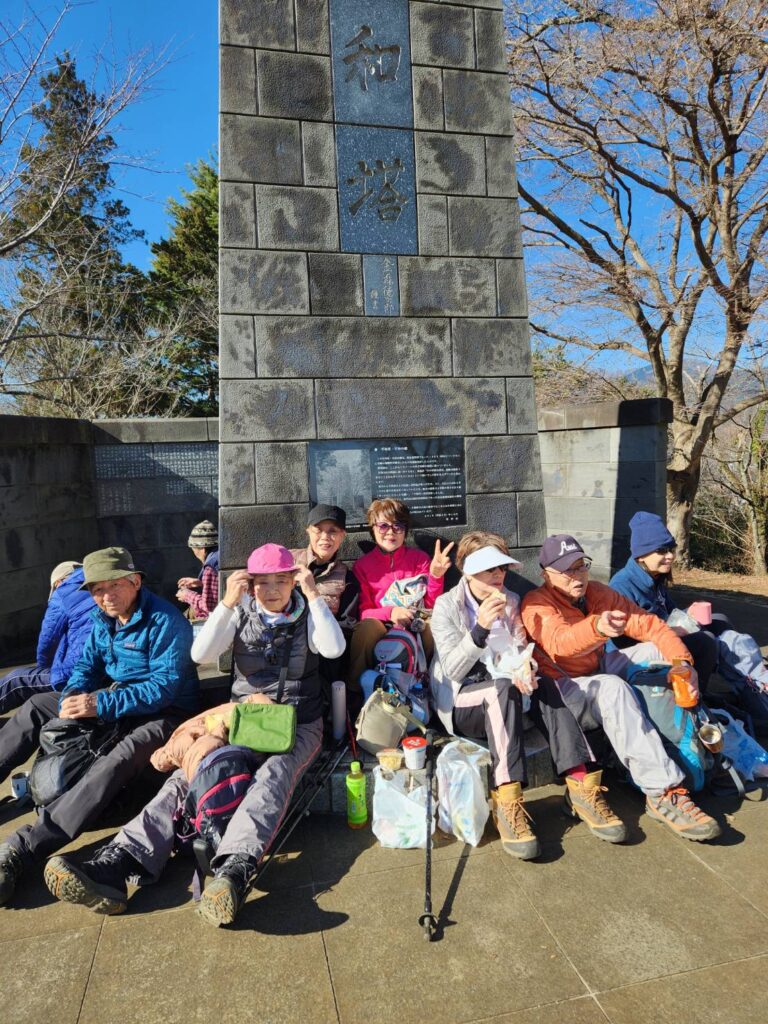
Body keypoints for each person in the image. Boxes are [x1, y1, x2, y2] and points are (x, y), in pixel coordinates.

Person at [45, 543, 345, 928]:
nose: (271, 590)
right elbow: (202, 654)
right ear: (250, 584)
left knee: (273, 776)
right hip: (240, 718)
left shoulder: (308, 614)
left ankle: (233, 871)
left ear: (293, 580)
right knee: (188, 771)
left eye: (281, 581)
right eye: (262, 582)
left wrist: (313, 594)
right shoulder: (241, 611)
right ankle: (120, 860)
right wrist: (227, 602)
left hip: (298, 723)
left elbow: (334, 649)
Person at [0, 546, 199, 905]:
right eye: (96, 589)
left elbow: (163, 688)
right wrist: (73, 696)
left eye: (114, 586)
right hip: (115, 702)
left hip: (165, 716)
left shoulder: (168, 621)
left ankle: (25, 847)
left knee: (117, 760)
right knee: (35, 707)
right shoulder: (102, 619)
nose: (105, 597)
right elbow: (85, 667)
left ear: (135, 582)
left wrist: (98, 703)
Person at [431, 531, 624, 858]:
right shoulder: (446, 605)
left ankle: (580, 784)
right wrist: (478, 629)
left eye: (502, 569)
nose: (498, 576)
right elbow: (452, 670)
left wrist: (526, 669)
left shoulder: (511, 600)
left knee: (545, 682)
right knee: (500, 690)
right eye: (490, 570)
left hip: (506, 690)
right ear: (467, 571)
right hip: (462, 699)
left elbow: (519, 649)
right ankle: (506, 799)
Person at [521, 535, 721, 842]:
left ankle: (697, 742)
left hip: (596, 667)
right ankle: (662, 791)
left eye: (581, 566)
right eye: (567, 570)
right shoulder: (536, 603)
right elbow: (559, 644)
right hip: (562, 688)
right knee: (613, 688)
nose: (578, 576)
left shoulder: (597, 592)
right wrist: (597, 627)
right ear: (545, 573)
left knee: (656, 651)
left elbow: (649, 624)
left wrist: (683, 663)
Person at [610, 511, 768, 723]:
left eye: (671, 549)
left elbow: (669, 613)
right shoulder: (621, 586)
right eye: (662, 551)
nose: (670, 556)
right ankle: (696, 701)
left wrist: (687, 615)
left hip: (665, 633)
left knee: (719, 620)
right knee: (706, 642)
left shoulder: (654, 577)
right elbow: (628, 639)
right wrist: (678, 629)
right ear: (641, 555)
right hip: (641, 651)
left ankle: (753, 685)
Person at [347, 497, 452, 692]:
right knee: (366, 628)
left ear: (405, 530)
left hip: (415, 623)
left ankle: (430, 686)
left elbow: (431, 604)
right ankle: (356, 690)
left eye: (398, 526)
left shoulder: (419, 559)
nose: (390, 532)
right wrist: (391, 612)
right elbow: (363, 612)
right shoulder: (362, 566)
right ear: (373, 529)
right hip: (382, 625)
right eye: (383, 526)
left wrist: (436, 575)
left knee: (432, 625)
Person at [0, 560, 94, 715]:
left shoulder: (64, 592)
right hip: (106, 669)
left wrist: (43, 668)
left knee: (15, 680)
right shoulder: (103, 585)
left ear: (58, 582)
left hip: (80, 672)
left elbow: (48, 641)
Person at [290, 503, 359, 692]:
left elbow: (347, 623)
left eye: (332, 531)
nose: (325, 537)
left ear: (342, 535)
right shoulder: (288, 561)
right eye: (318, 530)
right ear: (308, 531)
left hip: (321, 649)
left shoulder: (346, 577)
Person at [176, 520, 219, 621]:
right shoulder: (220, 555)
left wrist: (187, 595)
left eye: (194, 549)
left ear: (203, 548)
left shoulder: (210, 567)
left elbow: (209, 607)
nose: (194, 553)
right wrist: (200, 582)